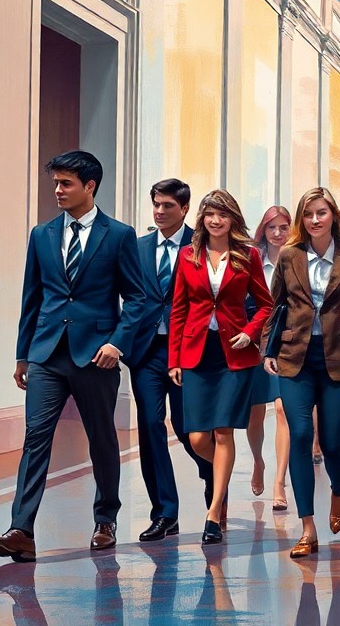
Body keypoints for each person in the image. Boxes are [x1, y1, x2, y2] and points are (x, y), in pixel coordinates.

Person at [0, 151, 150, 562]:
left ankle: (105, 520)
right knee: (35, 438)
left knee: (101, 438)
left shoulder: (119, 235)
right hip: (46, 354)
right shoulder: (41, 235)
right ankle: (21, 530)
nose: (57, 190)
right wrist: (23, 354)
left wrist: (116, 343)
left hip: (96, 356)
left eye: (65, 183)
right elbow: (32, 297)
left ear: (89, 186)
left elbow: (139, 298)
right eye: (55, 183)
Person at [168, 190, 274, 544]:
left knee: (224, 432)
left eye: (223, 215)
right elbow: (178, 310)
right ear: (202, 218)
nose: (216, 221)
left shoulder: (248, 255)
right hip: (196, 354)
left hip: (233, 354)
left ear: (232, 219)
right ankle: (221, 476)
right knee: (197, 438)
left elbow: (266, 304)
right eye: (210, 214)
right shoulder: (188, 255)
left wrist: (250, 332)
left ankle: (213, 513)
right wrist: (174, 360)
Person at [262, 187, 340, 558]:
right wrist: (269, 349)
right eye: (308, 214)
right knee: (301, 434)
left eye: (321, 212)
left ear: (333, 215)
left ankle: (337, 489)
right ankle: (307, 527)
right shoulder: (290, 256)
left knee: (332, 442)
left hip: (338, 357)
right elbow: (276, 305)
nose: (315, 220)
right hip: (295, 356)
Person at [126, 179, 214, 543]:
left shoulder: (202, 245)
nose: (159, 212)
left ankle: (212, 476)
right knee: (150, 425)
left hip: (189, 351)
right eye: (156, 205)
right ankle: (165, 513)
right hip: (146, 351)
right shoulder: (138, 247)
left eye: (167, 206)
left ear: (184, 209)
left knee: (187, 427)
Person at [250, 206, 292, 511]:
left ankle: (279, 481)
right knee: (254, 413)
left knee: (281, 410)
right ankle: (258, 461)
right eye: (271, 227)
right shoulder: (253, 259)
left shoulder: (298, 258)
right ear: (263, 230)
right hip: (255, 342)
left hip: (286, 342)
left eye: (283, 227)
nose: (277, 233)